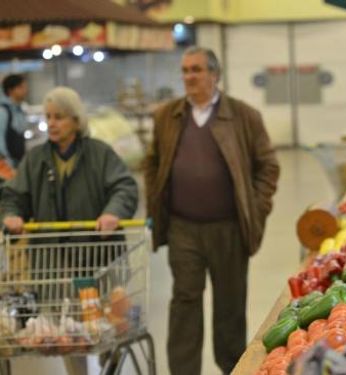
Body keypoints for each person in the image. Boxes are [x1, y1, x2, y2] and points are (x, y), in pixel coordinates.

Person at [144, 47, 280, 375]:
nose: (189, 76)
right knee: (184, 303)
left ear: (214, 75)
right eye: (185, 70)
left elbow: (268, 167)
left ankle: (234, 368)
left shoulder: (244, 116)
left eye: (196, 70)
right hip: (183, 228)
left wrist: (256, 207)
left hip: (229, 228)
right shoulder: (167, 116)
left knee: (230, 307)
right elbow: (152, 163)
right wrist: (155, 204)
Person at [0, 86, 139, 375]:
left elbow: (124, 187)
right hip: (53, 264)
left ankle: (108, 359)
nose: (51, 123)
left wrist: (113, 212)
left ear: (76, 121)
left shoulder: (100, 155)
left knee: (105, 326)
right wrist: (12, 215)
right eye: (49, 117)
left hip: (97, 259)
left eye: (59, 117)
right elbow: (14, 195)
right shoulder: (35, 159)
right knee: (68, 333)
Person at [0, 74, 29, 167]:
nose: (25, 91)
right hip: (8, 168)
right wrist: (8, 165)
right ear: (10, 90)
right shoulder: (3, 112)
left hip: (19, 165)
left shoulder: (20, 111)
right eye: (21, 87)